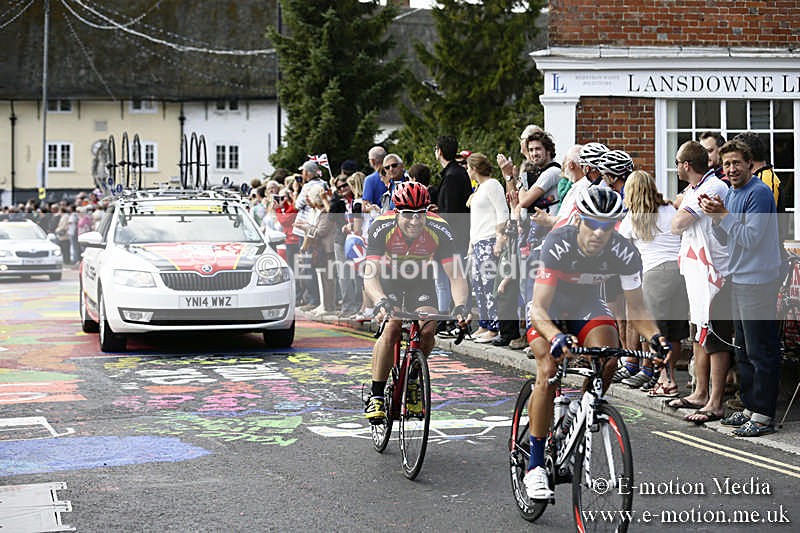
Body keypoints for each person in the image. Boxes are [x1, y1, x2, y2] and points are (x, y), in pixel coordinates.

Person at [523, 187, 671, 500]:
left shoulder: (624, 252)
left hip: (586, 304)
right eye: (592, 224)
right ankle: (535, 466)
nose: (599, 233)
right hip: (548, 307)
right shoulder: (558, 243)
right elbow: (539, 309)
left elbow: (637, 309)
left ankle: (583, 409)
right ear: (579, 220)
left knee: (609, 356)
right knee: (548, 369)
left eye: (607, 226)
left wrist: (656, 339)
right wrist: (555, 336)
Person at [363, 182, 470, 423]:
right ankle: (376, 394)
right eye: (408, 214)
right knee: (392, 326)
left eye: (420, 214)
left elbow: (455, 275)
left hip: (420, 280)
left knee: (429, 327)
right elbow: (370, 274)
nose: (414, 221)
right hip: (388, 280)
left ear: (427, 211)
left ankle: (413, 379)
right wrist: (380, 300)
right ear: (396, 212)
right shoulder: (381, 226)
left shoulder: (439, 228)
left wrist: (461, 306)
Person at [700, 139, 783, 437]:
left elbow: (750, 238)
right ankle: (749, 407)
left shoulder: (759, 193)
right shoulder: (733, 194)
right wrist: (716, 219)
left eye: (736, 162)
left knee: (761, 350)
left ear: (749, 163)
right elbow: (727, 240)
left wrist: (723, 217)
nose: (731, 169)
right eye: (726, 164)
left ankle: (763, 416)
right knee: (744, 349)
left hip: (758, 281)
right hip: (738, 279)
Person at [668, 140, 733, 425]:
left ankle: (715, 402)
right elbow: (678, 212)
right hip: (696, 272)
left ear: (686, 165)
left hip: (714, 273)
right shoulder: (695, 189)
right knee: (698, 333)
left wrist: (681, 209)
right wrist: (681, 206)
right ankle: (700, 392)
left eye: (677, 162)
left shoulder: (713, 186)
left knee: (715, 337)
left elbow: (676, 224)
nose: (675, 167)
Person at [618, 170, 688, 395]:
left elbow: (620, 247)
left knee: (655, 333)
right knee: (675, 333)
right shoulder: (670, 209)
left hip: (655, 274)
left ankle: (666, 381)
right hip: (680, 271)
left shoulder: (633, 217)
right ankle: (669, 377)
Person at [466, 153, 509, 343]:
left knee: (488, 284)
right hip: (477, 241)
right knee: (478, 285)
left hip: (489, 239)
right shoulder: (480, 188)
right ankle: (484, 324)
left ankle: (494, 326)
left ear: (474, 168)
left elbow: (502, 211)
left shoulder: (492, 185)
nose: (468, 171)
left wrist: (500, 238)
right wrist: (470, 245)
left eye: (469, 168)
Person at [434, 135, 472, 334]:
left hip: (453, 238)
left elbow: (450, 213)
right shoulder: (457, 173)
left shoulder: (451, 176)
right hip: (458, 235)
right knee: (452, 279)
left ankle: (453, 321)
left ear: (439, 151)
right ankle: (450, 319)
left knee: (452, 279)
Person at [361, 146, 387, 213]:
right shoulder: (398, 174)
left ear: (372, 161)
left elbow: (365, 206)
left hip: (379, 217)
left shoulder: (369, 180)